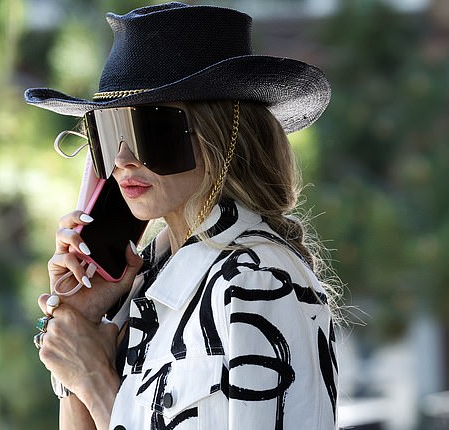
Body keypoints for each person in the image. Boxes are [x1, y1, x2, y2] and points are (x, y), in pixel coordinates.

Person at [25, 2, 340, 429]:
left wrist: (97, 379)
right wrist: (81, 323)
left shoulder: (255, 279)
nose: (121, 160)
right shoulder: (143, 285)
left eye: (149, 131)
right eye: (108, 131)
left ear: (221, 135)